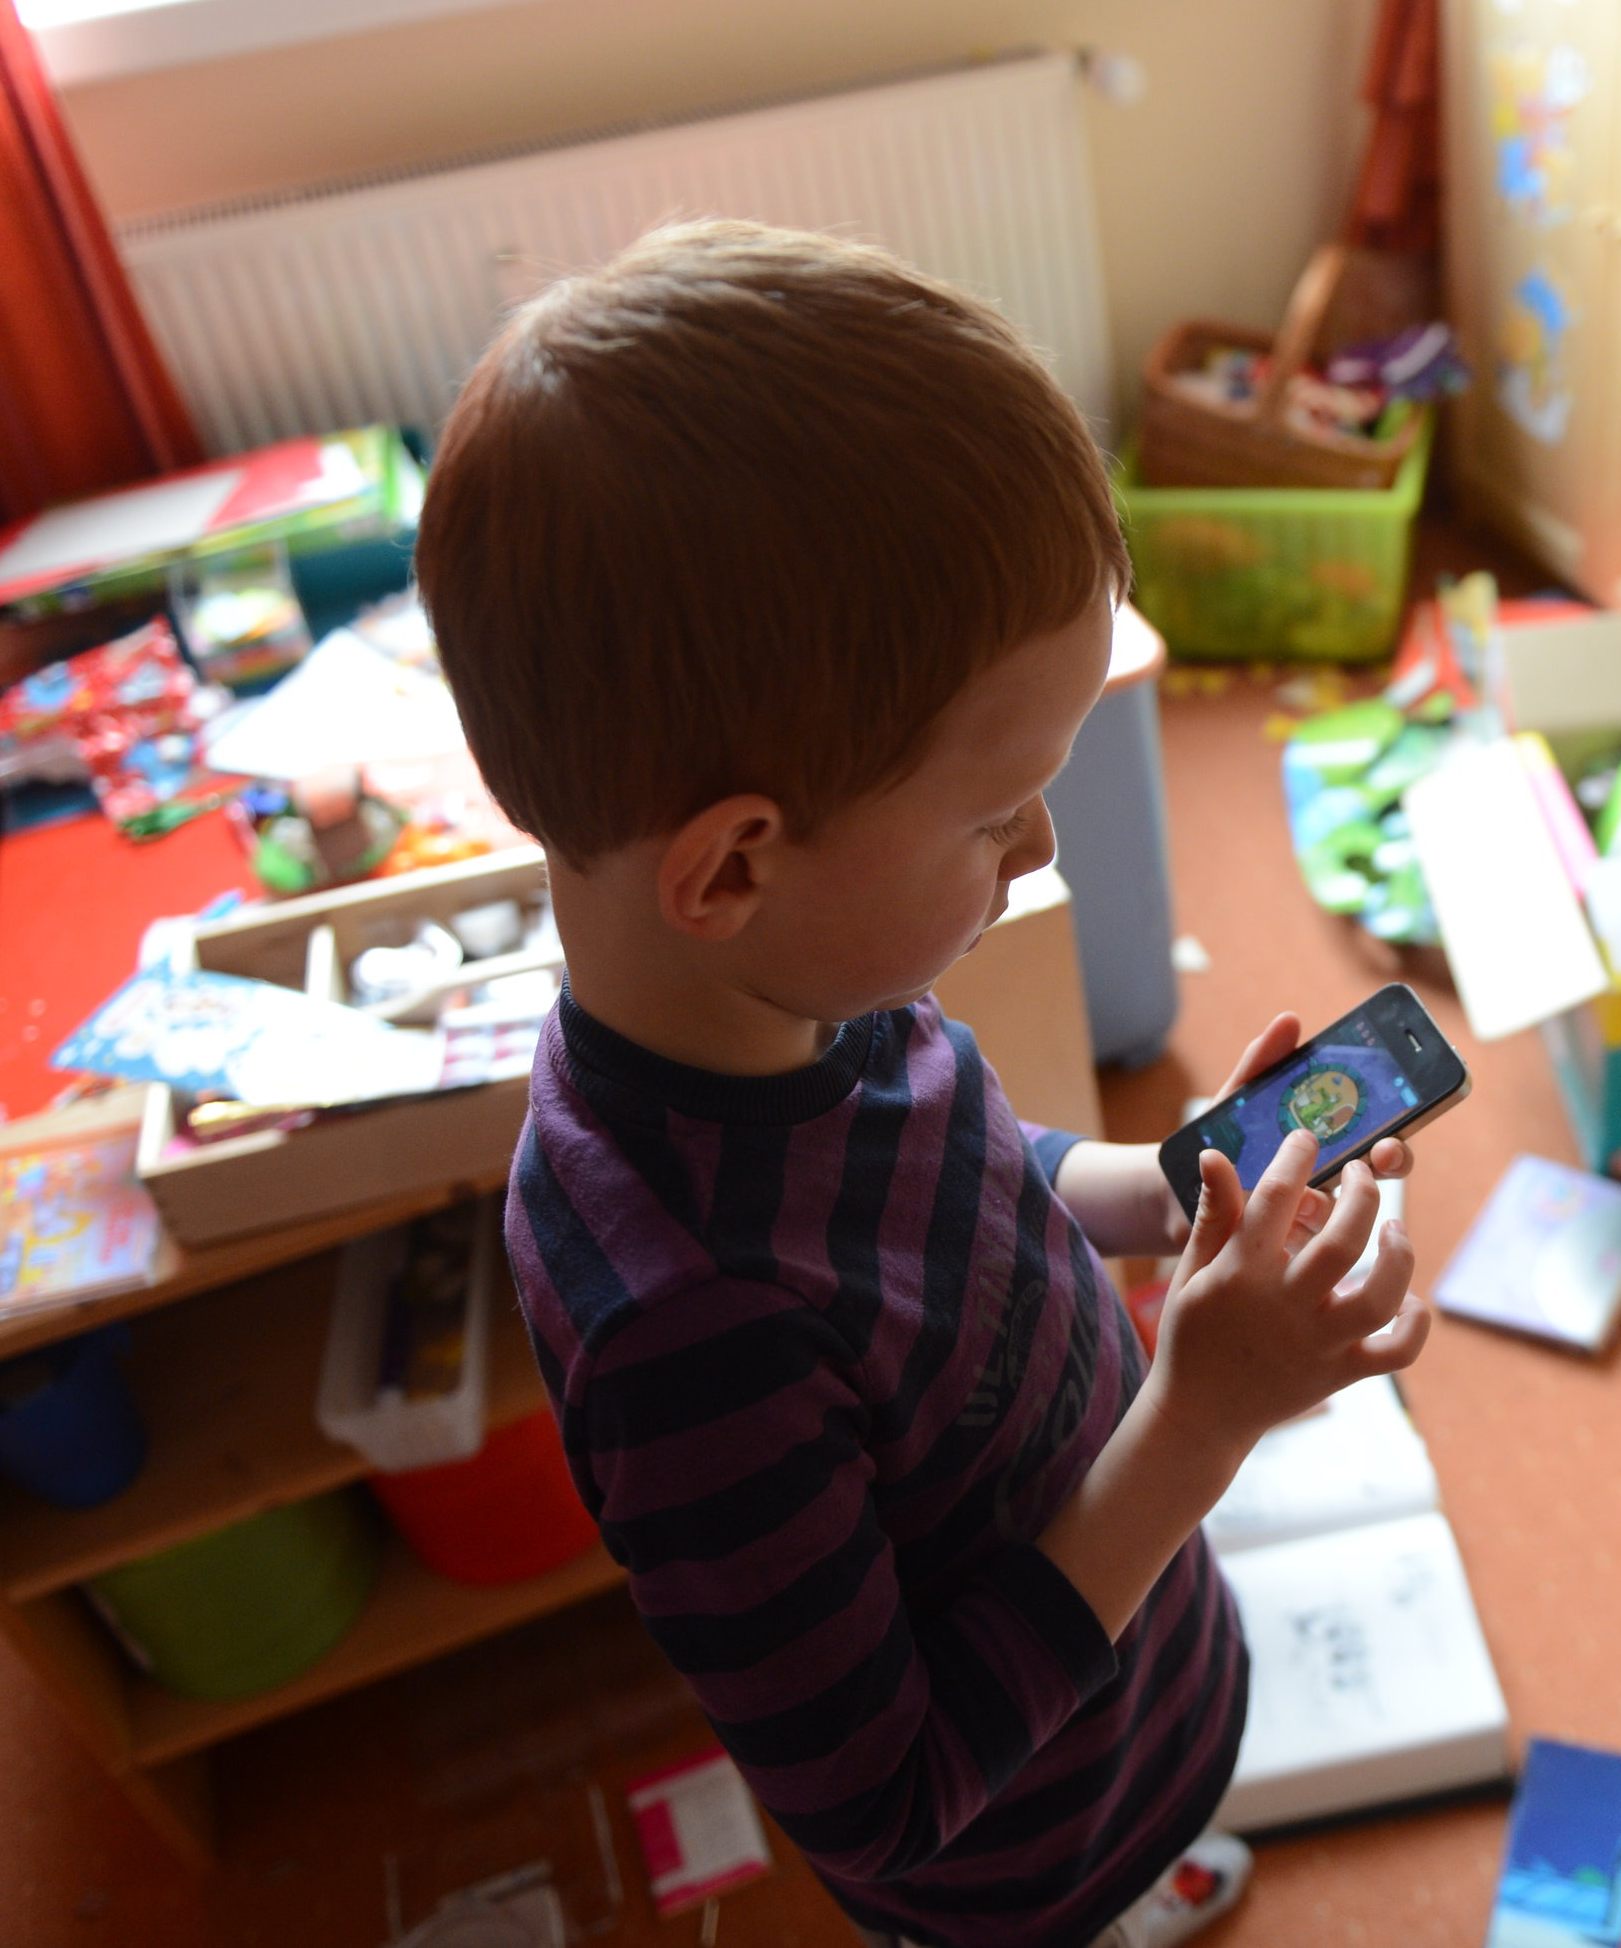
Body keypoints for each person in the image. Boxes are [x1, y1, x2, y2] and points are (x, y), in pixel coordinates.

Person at [413, 219, 1432, 1948]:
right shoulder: (688, 1334)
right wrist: (1198, 1417)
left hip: (1127, 1634)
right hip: (1026, 1836)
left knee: (1159, 1776)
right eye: (992, 811)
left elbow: (958, 1162)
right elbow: (892, 1797)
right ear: (733, 865)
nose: (1039, 843)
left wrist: (1154, 1185)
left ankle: (1160, 1848)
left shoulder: (802, 987)